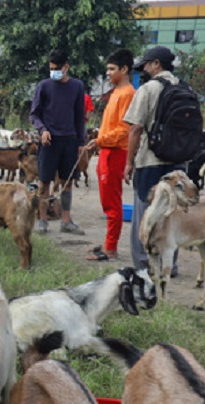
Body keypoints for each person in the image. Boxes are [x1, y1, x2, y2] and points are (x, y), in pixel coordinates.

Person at [123, 45, 185, 274]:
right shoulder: (184, 88)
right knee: (171, 214)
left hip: (150, 162)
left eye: (147, 65)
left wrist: (129, 163)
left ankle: (143, 265)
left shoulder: (148, 89)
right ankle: (171, 264)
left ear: (156, 64)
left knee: (144, 215)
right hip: (179, 163)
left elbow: (135, 129)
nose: (145, 69)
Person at [84, 48, 136, 262]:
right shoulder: (115, 93)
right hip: (106, 151)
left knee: (113, 203)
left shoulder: (128, 94)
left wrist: (100, 140)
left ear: (124, 70)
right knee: (107, 201)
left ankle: (111, 248)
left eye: (112, 69)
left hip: (116, 153)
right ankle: (107, 243)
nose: (108, 73)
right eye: (107, 69)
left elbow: (124, 130)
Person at [29, 49, 87, 235]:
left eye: (56, 68)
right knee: (44, 182)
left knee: (67, 181)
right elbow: (34, 114)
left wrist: (81, 141)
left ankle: (66, 220)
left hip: (69, 140)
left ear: (66, 67)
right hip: (49, 141)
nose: (53, 71)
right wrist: (43, 130)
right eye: (51, 68)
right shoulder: (44, 86)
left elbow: (79, 116)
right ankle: (43, 221)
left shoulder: (77, 87)